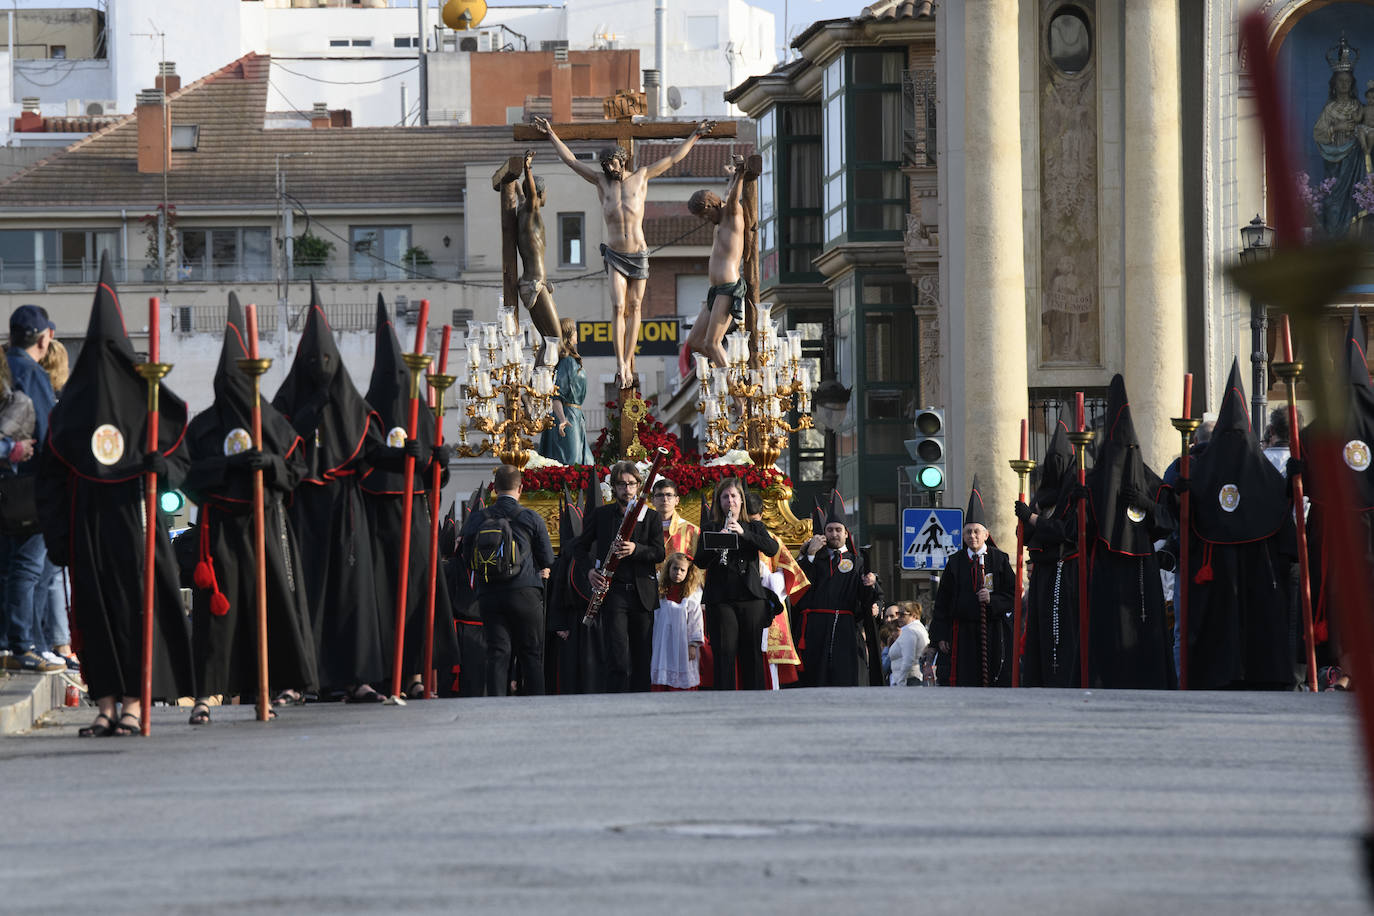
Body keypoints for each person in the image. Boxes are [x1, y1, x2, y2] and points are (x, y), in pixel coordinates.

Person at [37, 256, 194, 736]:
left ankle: (133, 702)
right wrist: (58, 536)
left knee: (136, 613)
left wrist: (160, 466)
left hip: (136, 520)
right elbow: (51, 478)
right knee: (95, 615)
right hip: (88, 525)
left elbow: (181, 464)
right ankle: (104, 703)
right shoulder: (69, 412)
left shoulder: (150, 402)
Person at [182, 295, 319, 723]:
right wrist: (228, 466)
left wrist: (272, 464)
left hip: (265, 527)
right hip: (219, 531)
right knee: (216, 617)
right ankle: (205, 695)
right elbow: (186, 477)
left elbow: (299, 470)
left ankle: (269, 690)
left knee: (269, 608)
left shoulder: (273, 423)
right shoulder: (203, 426)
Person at [533, 115, 715, 388]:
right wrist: (551, 134)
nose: (609, 168)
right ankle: (620, 363)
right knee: (618, 307)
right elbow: (572, 161)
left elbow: (673, 159)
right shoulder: (600, 182)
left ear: (623, 160)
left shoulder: (641, 177)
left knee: (635, 306)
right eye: (605, 165)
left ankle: (629, 360)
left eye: (613, 163)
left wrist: (695, 135)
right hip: (616, 254)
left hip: (638, 253)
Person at [273, 281, 388, 703]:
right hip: (301, 507)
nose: (319, 367)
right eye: (312, 360)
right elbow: (274, 440)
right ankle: (298, 680)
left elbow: (374, 450)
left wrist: (421, 455)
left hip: (344, 507)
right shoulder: (288, 399)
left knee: (350, 593)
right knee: (301, 593)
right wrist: (305, 416)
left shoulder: (350, 403)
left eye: (326, 359)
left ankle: (356, 677)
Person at [360, 295, 459, 699]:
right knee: (381, 599)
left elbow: (437, 479)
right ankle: (381, 676)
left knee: (420, 595)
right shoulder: (366, 412)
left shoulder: (425, 413)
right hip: (377, 518)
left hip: (416, 517)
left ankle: (416, 674)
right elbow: (360, 458)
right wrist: (394, 455)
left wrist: (440, 459)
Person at [1174, 359, 1294, 689]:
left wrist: (1186, 491)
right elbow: (1281, 512)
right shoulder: (1263, 473)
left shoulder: (1203, 470)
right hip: (1246, 568)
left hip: (1220, 571)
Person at [1085, 374, 1176, 689]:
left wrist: (1147, 504)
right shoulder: (1094, 482)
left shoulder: (1149, 480)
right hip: (1106, 567)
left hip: (1142, 568)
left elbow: (1167, 522)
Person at [2, 303, 64, 675]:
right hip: (32, 485)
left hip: (7, 483)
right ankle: (26, 643)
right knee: (31, 568)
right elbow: (47, 432)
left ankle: (21, 642)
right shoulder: (33, 373)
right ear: (45, 339)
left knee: (11, 568)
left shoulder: (5, 367)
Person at [460, 464, 554, 697]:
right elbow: (548, 558)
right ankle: (536, 707)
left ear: (494, 489)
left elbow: (465, 554)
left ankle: (496, 706)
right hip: (525, 593)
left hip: (489, 594)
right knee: (531, 653)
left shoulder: (480, 516)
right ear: (520, 488)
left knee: (497, 652)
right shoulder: (530, 517)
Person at [570, 460, 665, 692]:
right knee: (618, 656)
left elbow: (659, 552)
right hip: (614, 594)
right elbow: (578, 547)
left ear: (639, 485)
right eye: (621, 484)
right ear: (614, 487)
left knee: (643, 656)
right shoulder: (602, 515)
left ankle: (641, 703)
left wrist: (636, 549)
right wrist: (591, 570)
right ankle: (617, 703)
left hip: (642, 593)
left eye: (631, 484)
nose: (627, 489)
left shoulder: (651, 517)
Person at [692, 477, 779, 690]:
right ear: (718, 502)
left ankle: (754, 702)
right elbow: (700, 561)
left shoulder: (754, 526)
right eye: (725, 497)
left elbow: (771, 548)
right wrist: (716, 542)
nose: (730, 501)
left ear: (741, 500)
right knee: (724, 653)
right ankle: (725, 702)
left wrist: (744, 533)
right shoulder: (710, 526)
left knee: (751, 654)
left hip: (750, 597)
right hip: (721, 598)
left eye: (734, 496)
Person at [1016, 422, 1082, 687]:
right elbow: (1027, 537)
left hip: (1065, 570)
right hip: (1043, 571)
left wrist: (1032, 518)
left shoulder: (1074, 495)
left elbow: (1066, 531)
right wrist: (1028, 514)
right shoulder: (1043, 496)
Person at [931, 477, 1015, 687]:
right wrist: (940, 635)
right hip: (963, 633)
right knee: (966, 678)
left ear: (986, 534)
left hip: (993, 631)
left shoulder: (999, 559)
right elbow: (943, 602)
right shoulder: (955, 562)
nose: (972, 536)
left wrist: (992, 599)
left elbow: (1012, 594)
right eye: (968, 532)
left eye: (977, 531)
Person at [792, 490, 878, 687]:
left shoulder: (857, 562)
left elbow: (866, 600)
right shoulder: (815, 559)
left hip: (845, 629)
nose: (833, 534)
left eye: (838, 530)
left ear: (846, 533)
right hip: (815, 630)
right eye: (829, 530)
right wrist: (810, 555)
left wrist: (870, 588)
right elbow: (798, 587)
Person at [33, 338, 75, 673]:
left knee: (44, 574)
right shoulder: (60, 404)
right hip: (53, 495)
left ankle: (56, 642)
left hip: (35, 492)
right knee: (48, 574)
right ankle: (59, 643)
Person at [684, 154, 748, 367]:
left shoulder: (732, 214)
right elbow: (728, 191)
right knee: (694, 341)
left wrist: (740, 172)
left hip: (728, 288)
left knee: (712, 343)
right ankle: (725, 369)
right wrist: (731, 177)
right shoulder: (721, 219)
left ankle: (737, 395)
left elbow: (732, 196)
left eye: (704, 214)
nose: (704, 220)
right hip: (714, 291)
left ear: (713, 206)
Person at [1312, 47, 1367, 239]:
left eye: (1347, 82)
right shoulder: (1330, 109)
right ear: (1334, 84)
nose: (1344, 85)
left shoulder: (1358, 106)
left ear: (1351, 84)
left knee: (1356, 198)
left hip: (1355, 160)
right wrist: (1336, 128)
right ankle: (1334, 238)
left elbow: (1367, 127)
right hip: (1335, 162)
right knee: (1333, 203)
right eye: (1340, 81)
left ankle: (1354, 238)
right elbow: (1318, 133)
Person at [514, 150, 564, 354]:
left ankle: (538, 381)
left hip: (531, 283)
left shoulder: (522, 210)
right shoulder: (531, 210)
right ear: (540, 193)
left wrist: (514, 178)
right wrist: (527, 168)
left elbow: (520, 191)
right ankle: (546, 382)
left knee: (547, 342)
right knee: (556, 340)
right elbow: (530, 194)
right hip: (535, 284)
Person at [536, 318, 593, 465]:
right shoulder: (567, 362)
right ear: (569, 333)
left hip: (575, 415)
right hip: (567, 416)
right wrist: (562, 419)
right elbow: (556, 394)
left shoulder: (571, 360)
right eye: (574, 329)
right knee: (571, 461)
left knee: (582, 460)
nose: (577, 333)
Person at [650, 551, 704, 691]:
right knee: (662, 665)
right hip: (662, 641)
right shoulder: (660, 591)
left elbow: (696, 621)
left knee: (682, 667)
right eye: (675, 568)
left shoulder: (692, 595)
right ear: (668, 569)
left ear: (688, 572)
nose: (678, 573)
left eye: (682, 570)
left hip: (682, 643)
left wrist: (693, 645)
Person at [651, 476, 699, 563]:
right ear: (652, 501)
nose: (664, 499)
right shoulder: (644, 528)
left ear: (677, 500)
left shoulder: (692, 531)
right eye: (660, 495)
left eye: (669, 495)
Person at [887, 602, 930, 686]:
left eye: (902, 615)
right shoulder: (917, 628)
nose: (898, 618)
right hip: (911, 678)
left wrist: (900, 681)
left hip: (908, 680)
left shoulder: (910, 631)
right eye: (898, 614)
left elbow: (908, 659)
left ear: (914, 616)